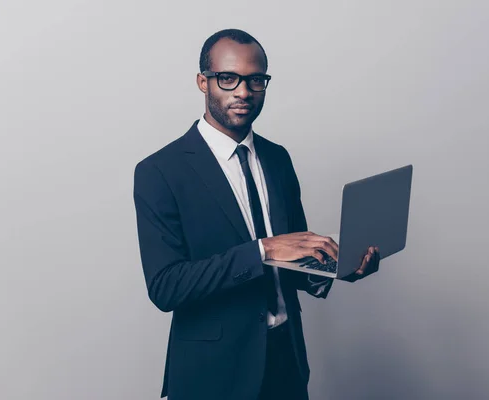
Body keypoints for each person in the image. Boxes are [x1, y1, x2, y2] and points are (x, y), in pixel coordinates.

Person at [133, 28, 380, 400]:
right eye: (228, 79)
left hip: (285, 361)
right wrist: (261, 250)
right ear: (203, 82)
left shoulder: (277, 158)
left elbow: (292, 256)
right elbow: (166, 287)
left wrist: (337, 267)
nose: (243, 92)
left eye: (255, 81)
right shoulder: (160, 171)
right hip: (213, 373)